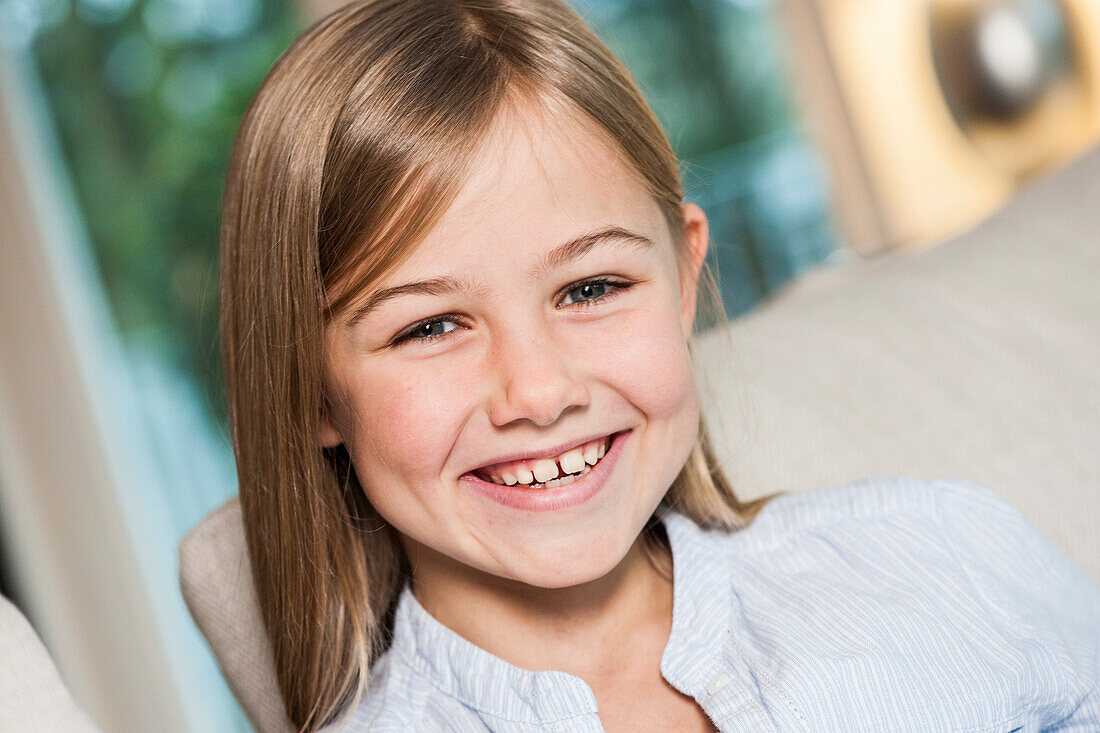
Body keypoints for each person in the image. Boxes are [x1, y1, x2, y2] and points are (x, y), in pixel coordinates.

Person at [217, 0, 1100, 730]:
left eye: (590, 287)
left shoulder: (939, 555)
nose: (540, 390)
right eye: (432, 326)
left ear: (683, 277)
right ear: (311, 389)